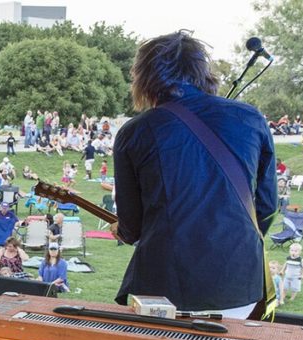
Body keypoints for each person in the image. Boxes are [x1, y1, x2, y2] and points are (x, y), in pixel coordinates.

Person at [113, 32, 277, 318]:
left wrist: (122, 231)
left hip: (164, 287)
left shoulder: (135, 132)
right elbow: (266, 207)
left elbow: (133, 227)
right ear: (202, 71)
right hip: (239, 284)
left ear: (144, 77)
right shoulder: (251, 118)